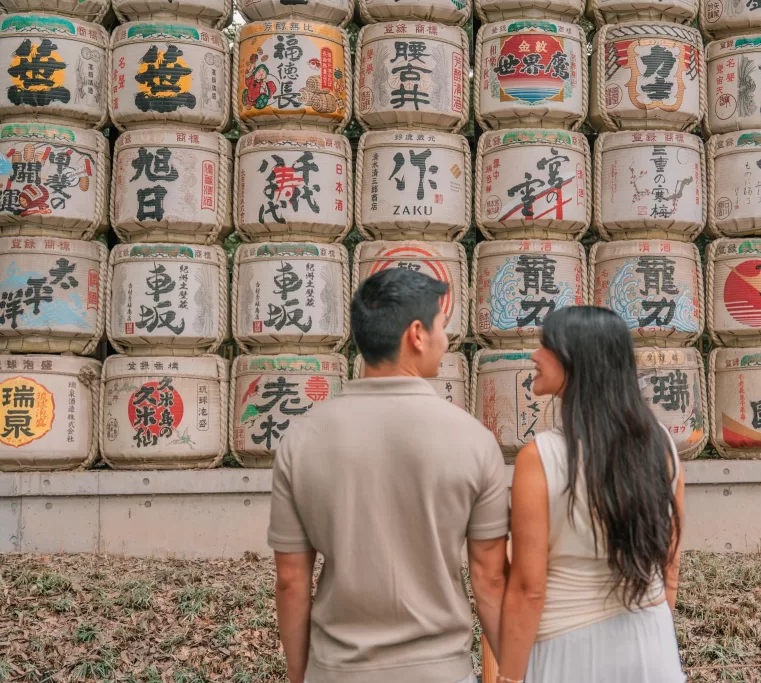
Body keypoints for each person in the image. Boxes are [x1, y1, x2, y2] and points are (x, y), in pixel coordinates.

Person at [268, 268, 510, 683]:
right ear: (416, 334)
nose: (445, 340)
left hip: (337, 670)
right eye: (440, 326)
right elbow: (489, 578)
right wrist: (517, 669)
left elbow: (291, 579)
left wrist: (298, 673)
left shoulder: (301, 439)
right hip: (440, 671)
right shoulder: (473, 440)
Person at [497, 306, 687, 683]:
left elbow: (528, 590)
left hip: (569, 652)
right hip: (652, 642)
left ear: (578, 360)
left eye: (546, 346)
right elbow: (671, 563)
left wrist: (510, 678)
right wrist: (656, 628)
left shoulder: (540, 458)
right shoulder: (661, 445)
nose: (534, 356)